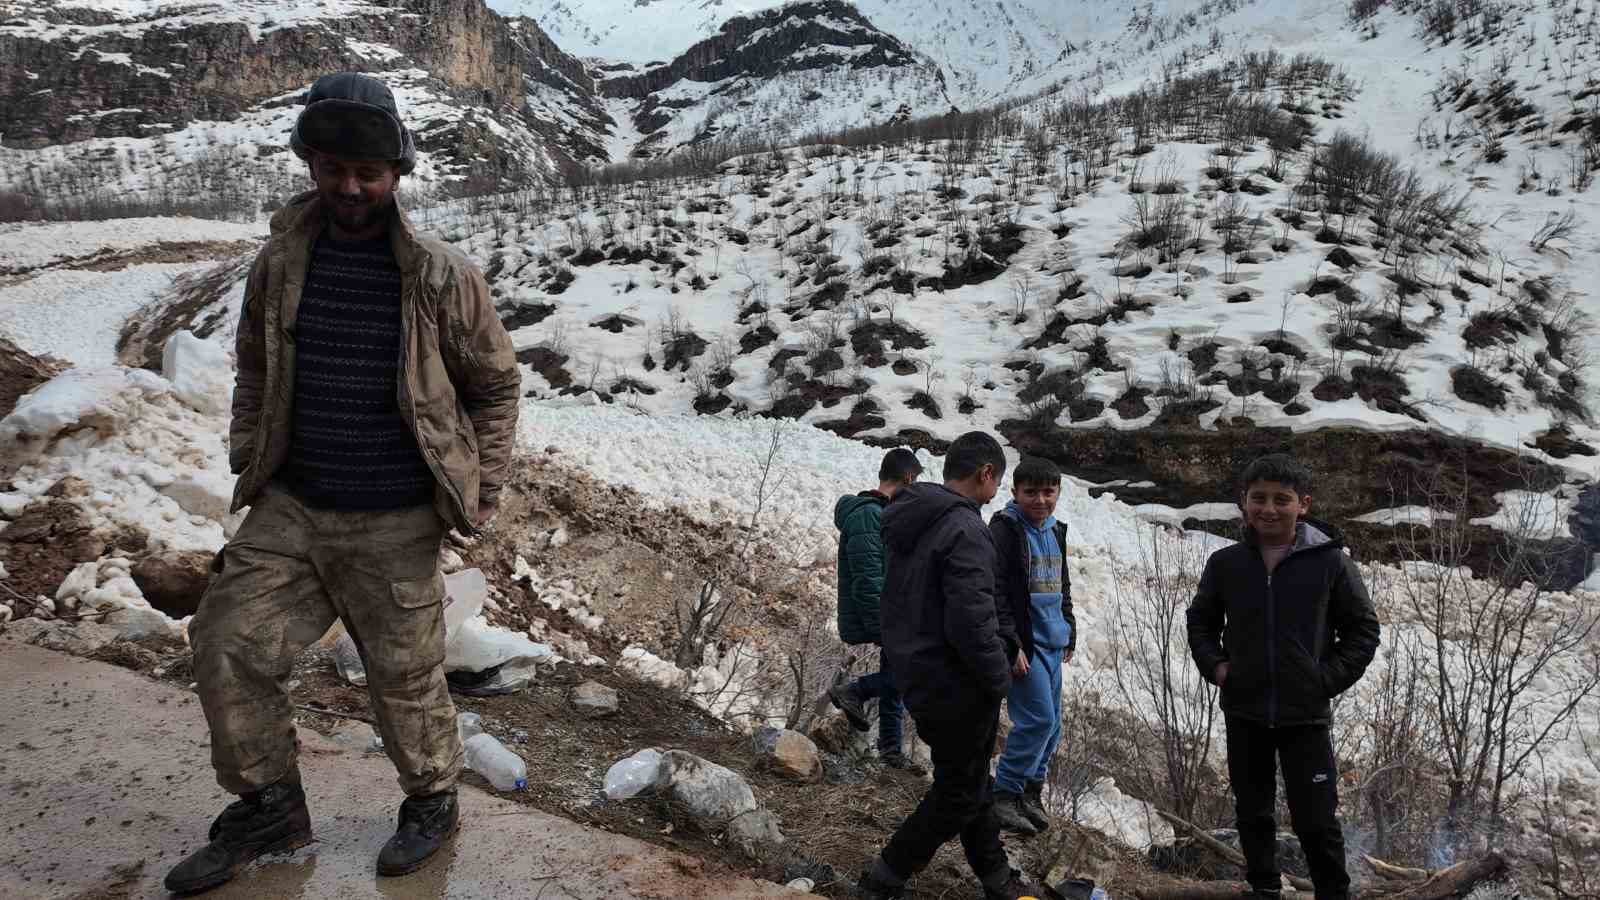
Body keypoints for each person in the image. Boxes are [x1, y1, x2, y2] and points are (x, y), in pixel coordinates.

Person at [165, 72, 521, 894]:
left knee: (403, 677)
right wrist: (248, 449)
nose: (352, 188)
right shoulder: (281, 261)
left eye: (369, 173)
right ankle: (269, 807)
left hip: (396, 515)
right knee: (226, 643)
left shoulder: (441, 275)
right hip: (292, 503)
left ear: (396, 173)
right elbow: (255, 366)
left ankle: (432, 799)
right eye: (334, 170)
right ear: (312, 165)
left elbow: (495, 386)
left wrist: (482, 484)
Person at [856, 432, 1044, 900]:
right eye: (998, 482)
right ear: (986, 474)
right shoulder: (965, 529)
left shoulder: (912, 516)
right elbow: (972, 619)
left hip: (920, 670)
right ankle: (886, 875)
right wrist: (997, 677)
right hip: (956, 682)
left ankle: (998, 880)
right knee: (958, 792)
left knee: (971, 780)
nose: (995, 492)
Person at [1186, 453, 1381, 900]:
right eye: (1259, 498)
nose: (1268, 509)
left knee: (1316, 818)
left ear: (1304, 504)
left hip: (1305, 716)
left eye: (1281, 499)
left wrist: (1325, 679)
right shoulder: (1227, 563)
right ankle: (1265, 889)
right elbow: (1200, 621)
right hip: (1245, 710)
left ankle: (1333, 893)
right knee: (1253, 812)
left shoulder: (1329, 562)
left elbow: (1363, 629)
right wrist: (1217, 667)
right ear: (1243, 502)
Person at [988, 456, 1076, 837]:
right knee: (1037, 720)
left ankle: (1030, 792)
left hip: (1054, 641)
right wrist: (1011, 642)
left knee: (1053, 726)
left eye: (1048, 491)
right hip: (1027, 644)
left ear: (1057, 492)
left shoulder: (1056, 531)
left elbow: (1062, 583)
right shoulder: (1006, 530)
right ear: (1015, 492)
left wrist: (1069, 627)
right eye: (1031, 492)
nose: (1040, 499)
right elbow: (997, 592)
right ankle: (1004, 793)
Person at [829, 448, 922, 768]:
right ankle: (853, 691)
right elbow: (867, 578)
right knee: (911, 674)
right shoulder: (869, 515)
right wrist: (881, 625)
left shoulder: (882, 512)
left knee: (894, 675)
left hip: (894, 612)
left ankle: (891, 751)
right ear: (909, 478)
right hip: (884, 614)